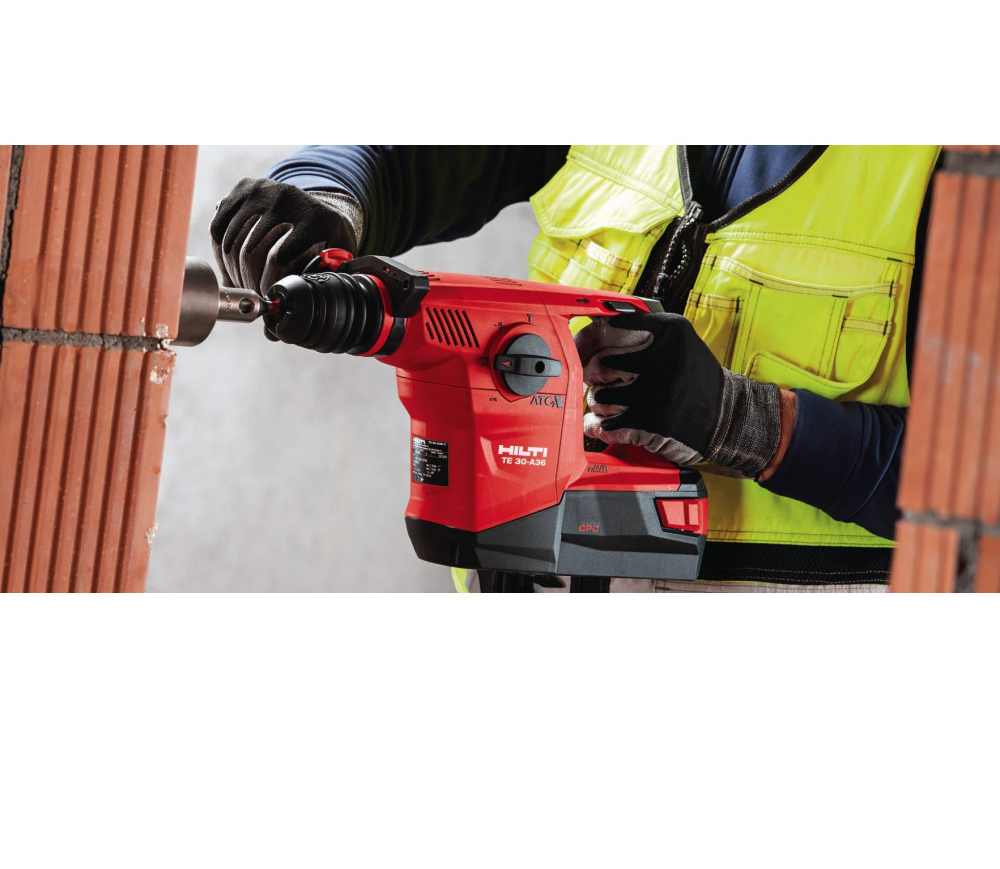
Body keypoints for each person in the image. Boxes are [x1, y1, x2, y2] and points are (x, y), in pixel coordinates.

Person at [211, 145, 940, 592]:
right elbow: (410, 155)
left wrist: (747, 422)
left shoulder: (957, 166)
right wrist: (323, 191)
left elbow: (982, 490)